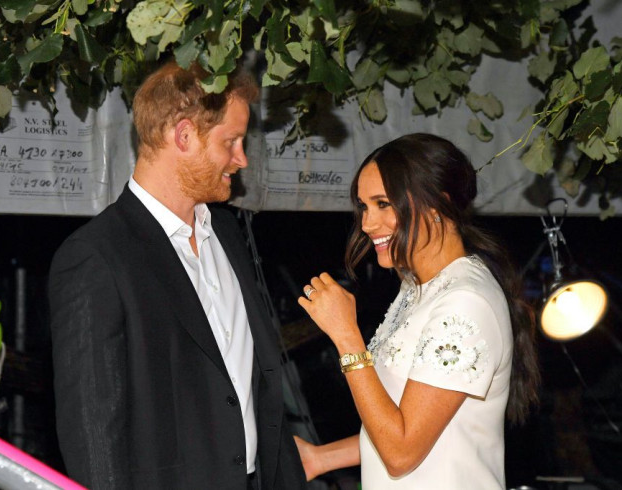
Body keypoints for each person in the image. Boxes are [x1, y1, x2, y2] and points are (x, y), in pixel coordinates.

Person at [48, 61, 306, 490]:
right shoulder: (96, 256)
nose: (241, 159)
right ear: (184, 136)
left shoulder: (226, 231)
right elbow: (94, 436)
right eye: (232, 141)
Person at [295, 133, 540, 488]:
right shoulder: (418, 288)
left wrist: (348, 338)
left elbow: (401, 452)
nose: (367, 223)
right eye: (364, 207)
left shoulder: (465, 303)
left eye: (382, 204)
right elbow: (414, 423)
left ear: (436, 204)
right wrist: (321, 458)